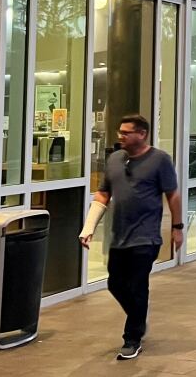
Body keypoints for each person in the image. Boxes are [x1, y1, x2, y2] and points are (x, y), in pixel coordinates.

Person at [78, 114, 182, 360]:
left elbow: (173, 196)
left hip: (146, 236)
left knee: (137, 285)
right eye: (120, 132)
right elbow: (103, 193)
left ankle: (132, 338)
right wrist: (89, 226)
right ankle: (138, 316)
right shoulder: (115, 159)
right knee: (115, 283)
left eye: (126, 133)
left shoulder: (160, 160)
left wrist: (177, 227)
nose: (120, 136)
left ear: (142, 134)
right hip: (120, 235)